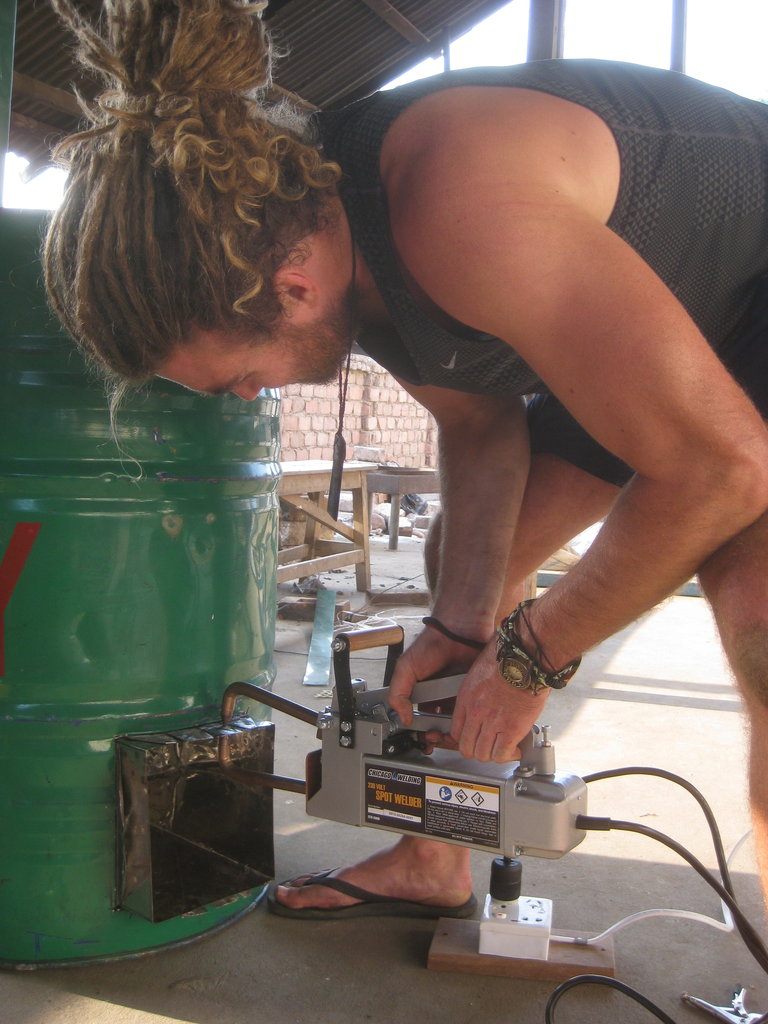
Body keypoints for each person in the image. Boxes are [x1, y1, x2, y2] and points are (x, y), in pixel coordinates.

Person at [44, 0, 768, 919]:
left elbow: (724, 470)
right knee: (462, 573)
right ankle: (438, 857)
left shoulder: (458, 212)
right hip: (648, 310)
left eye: (239, 375)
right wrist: (472, 631)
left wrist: (531, 659)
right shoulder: (337, 248)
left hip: (747, 283)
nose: (246, 399)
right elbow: (482, 429)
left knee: (758, 614)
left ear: (291, 288)